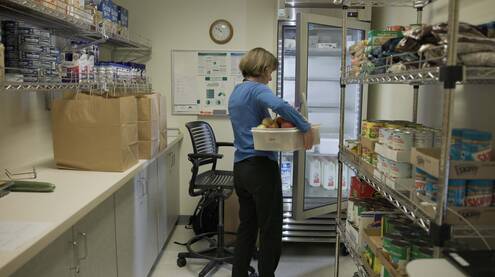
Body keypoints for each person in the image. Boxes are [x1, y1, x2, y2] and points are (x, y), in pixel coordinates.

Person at [228, 47, 314, 277]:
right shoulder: (257, 89)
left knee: (247, 227)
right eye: (270, 72)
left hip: (241, 168)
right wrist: (305, 127)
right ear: (263, 68)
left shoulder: (237, 91)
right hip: (260, 169)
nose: (271, 77)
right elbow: (281, 106)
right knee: (270, 228)